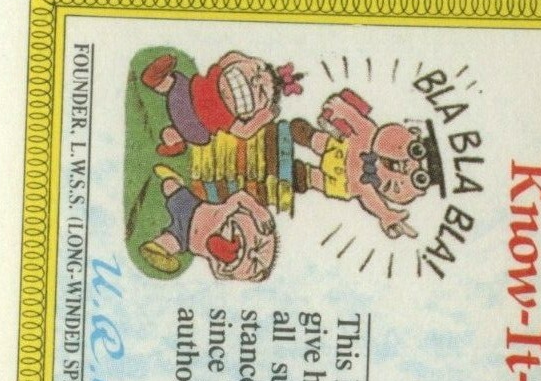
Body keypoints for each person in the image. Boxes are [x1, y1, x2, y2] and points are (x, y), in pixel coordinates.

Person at [291, 90, 445, 239]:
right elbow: (356, 119)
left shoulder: (368, 185)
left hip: (343, 182)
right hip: (340, 146)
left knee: (316, 179)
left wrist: (387, 215)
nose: (407, 167)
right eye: (416, 150)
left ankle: (307, 176)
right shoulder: (369, 134)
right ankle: (310, 137)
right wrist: (341, 108)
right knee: (322, 141)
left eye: (420, 178)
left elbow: (373, 200)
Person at [141, 50, 302, 156]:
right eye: (256, 74)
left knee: (172, 133)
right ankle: (154, 79)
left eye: (261, 92)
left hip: (193, 126)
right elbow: (230, 57)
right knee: (172, 83)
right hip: (183, 95)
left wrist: (265, 116)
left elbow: (245, 132)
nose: (253, 83)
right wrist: (251, 61)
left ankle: (174, 143)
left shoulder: (227, 117)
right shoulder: (219, 74)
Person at [141, 166, 278, 280]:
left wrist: (223, 270)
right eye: (258, 244)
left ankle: (154, 249)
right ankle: (172, 178)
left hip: (184, 239)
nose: (252, 254)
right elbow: (240, 196)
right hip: (191, 208)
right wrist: (260, 212)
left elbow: (218, 272)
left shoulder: (220, 260)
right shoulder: (227, 212)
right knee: (169, 187)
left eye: (254, 264)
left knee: (168, 243)